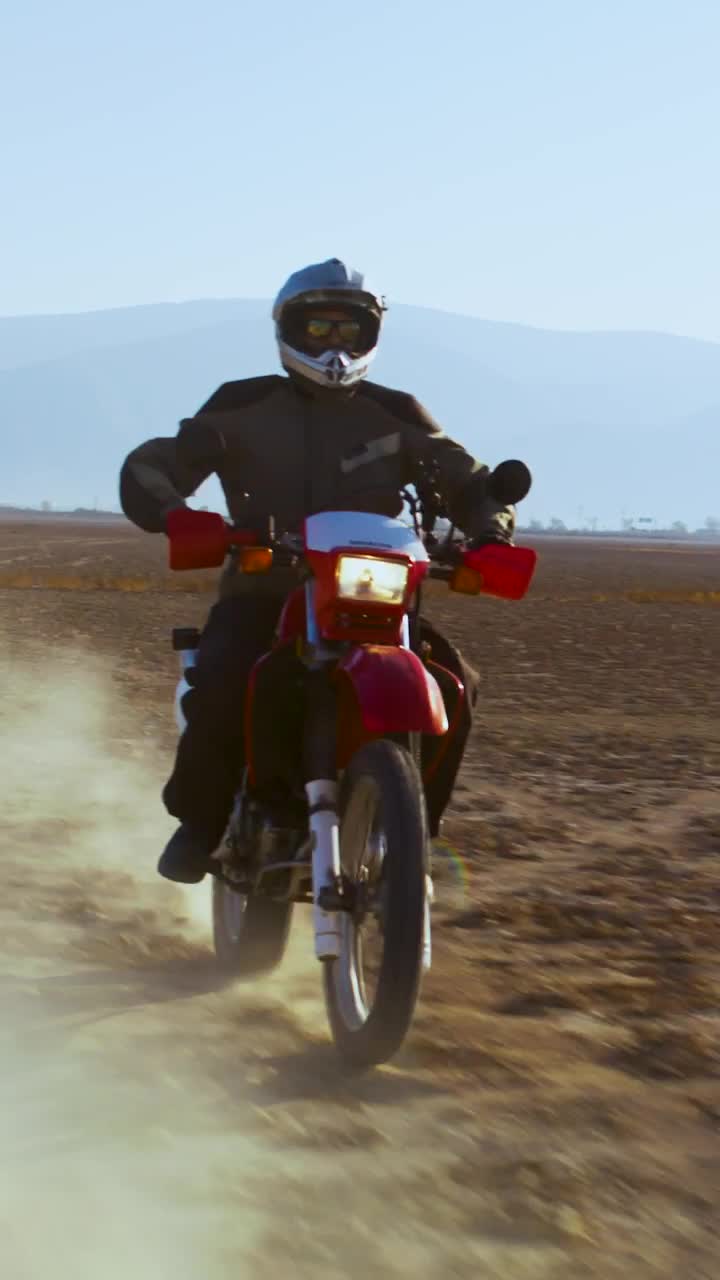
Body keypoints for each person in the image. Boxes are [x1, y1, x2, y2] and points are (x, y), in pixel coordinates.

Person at [119, 259, 516, 884]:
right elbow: (155, 463)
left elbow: (466, 479)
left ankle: (416, 837)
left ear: (370, 336)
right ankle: (200, 823)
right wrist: (175, 513)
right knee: (223, 683)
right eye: (319, 329)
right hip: (265, 591)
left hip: (377, 597)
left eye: (348, 331)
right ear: (289, 332)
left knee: (456, 684)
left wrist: (490, 531)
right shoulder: (241, 406)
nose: (334, 346)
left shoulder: (400, 414)